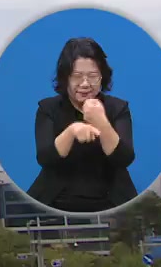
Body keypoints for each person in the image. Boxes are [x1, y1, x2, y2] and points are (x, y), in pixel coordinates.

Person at [27, 36, 136, 212]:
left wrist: (101, 122)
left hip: (111, 202)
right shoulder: (48, 108)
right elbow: (45, 158)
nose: (85, 84)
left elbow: (124, 158)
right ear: (65, 78)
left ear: (102, 77)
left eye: (93, 76)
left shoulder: (118, 108)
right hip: (56, 202)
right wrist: (71, 132)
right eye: (77, 76)